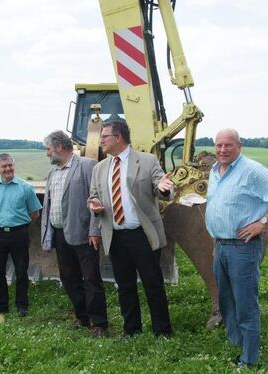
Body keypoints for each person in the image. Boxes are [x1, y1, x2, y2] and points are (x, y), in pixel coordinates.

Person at [205, 128, 268, 368]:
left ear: (239, 146)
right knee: (226, 300)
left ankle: (249, 358)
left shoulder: (251, 170)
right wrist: (217, 241)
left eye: (228, 145)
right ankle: (235, 342)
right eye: (219, 145)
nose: (222, 150)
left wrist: (262, 223)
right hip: (221, 245)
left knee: (245, 303)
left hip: (243, 248)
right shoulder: (215, 171)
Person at [88, 118, 174, 337]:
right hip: (115, 236)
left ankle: (162, 331)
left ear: (118, 138)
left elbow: (161, 187)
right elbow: (94, 195)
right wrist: (94, 206)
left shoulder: (147, 161)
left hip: (142, 235)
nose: (100, 142)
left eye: (104, 137)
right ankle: (132, 329)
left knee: (152, 284)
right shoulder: (99, 168)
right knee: (124, 286)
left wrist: (164, 189)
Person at [41, 130, 108, 337]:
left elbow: (97, 198)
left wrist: (94, 230)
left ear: (60, 147)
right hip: (61, 234)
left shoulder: (87, 166)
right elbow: (49, 204)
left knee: (91, 279)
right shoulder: (52, 173)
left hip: (83, 234)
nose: (47, 154)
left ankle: (100, 323)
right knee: (69, 278)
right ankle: (82, 315)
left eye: (49, 149)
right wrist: (47, 232)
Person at [0, 153, 42, 316]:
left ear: (13, 166)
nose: (7, 169)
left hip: (19, 234)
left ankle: (22, 305)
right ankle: (1, 306)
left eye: (10, 165)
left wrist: (20, 226)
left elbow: (35, 213)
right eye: (4, 166)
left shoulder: (25, 187)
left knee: (21, 270)